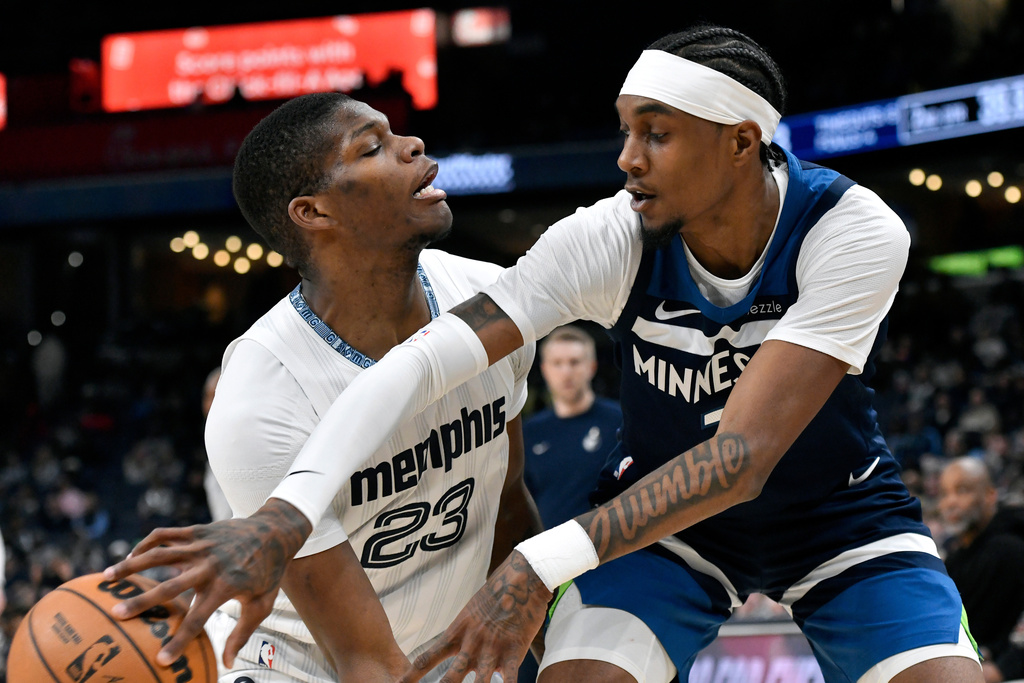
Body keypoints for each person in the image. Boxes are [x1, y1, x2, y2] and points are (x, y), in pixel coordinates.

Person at [106, 23, 984, 683]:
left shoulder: (851, 227)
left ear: (740, 140)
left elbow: (742, 457)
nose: (625, 158)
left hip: (840, 517)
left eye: (656, 133)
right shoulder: (605, 237)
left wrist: (539, 562)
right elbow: (420, 364)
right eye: (624, 129)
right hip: (657, 537)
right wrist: (287, 511)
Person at [113, 91, 541, 682]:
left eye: (396, 135)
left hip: (435, 651)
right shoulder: (261, 400)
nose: (413, 146)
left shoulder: (491, 302)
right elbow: (361, 656)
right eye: (373, 147)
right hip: (295, 664)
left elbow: (508, 508)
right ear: (313, 213)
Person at [523, 324, 622, 529]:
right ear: (545, 369)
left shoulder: (620, 421)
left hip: (613, 548)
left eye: (574, 362)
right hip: (551, 552)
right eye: (557, 363)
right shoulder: (530, 432)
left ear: (591, 367)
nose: (566, 372)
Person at [939, 457, 1024, 682]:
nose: (951, 502)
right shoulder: (955, 559)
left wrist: (1003, 669)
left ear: (990, 495)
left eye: (962, 490)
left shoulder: (1012, 549)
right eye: (945, 493)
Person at [199, 367, 232, 523]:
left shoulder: (251, 443)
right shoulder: (214, 445)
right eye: (208, 397)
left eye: (218, 396)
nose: (211, 405)